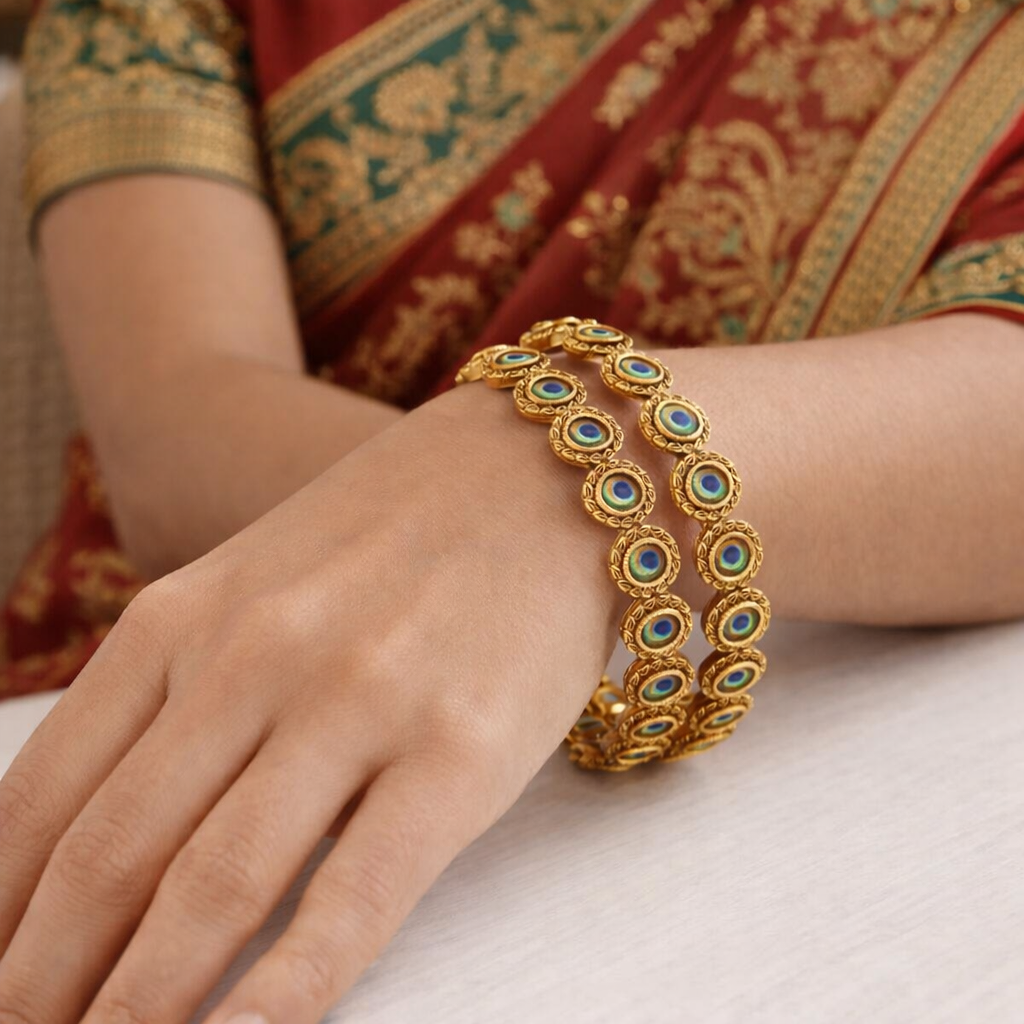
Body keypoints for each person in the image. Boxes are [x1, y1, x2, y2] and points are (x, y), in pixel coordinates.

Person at [0, 0, 1022, 1020]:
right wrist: (511, 523)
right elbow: (175, 425)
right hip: (154, 700)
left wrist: (555, 487)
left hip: (784, 786)